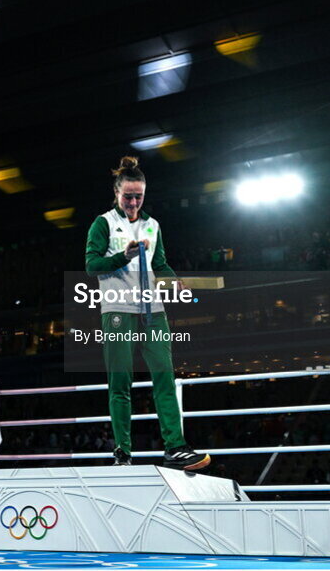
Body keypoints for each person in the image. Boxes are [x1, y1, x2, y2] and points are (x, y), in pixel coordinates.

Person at [84, 156, 210, 471]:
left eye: (139, 195)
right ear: (116, 192)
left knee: (165, 377)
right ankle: (123, 453)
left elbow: (160, 263)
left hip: (152, 310)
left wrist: (173, 280)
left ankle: (175, 448)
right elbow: (91, 265)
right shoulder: (103, 224)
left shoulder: (153, 226)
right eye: (128, 196)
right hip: (117, 309)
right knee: (120, 383)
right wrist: (120, 257)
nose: (133, 201)